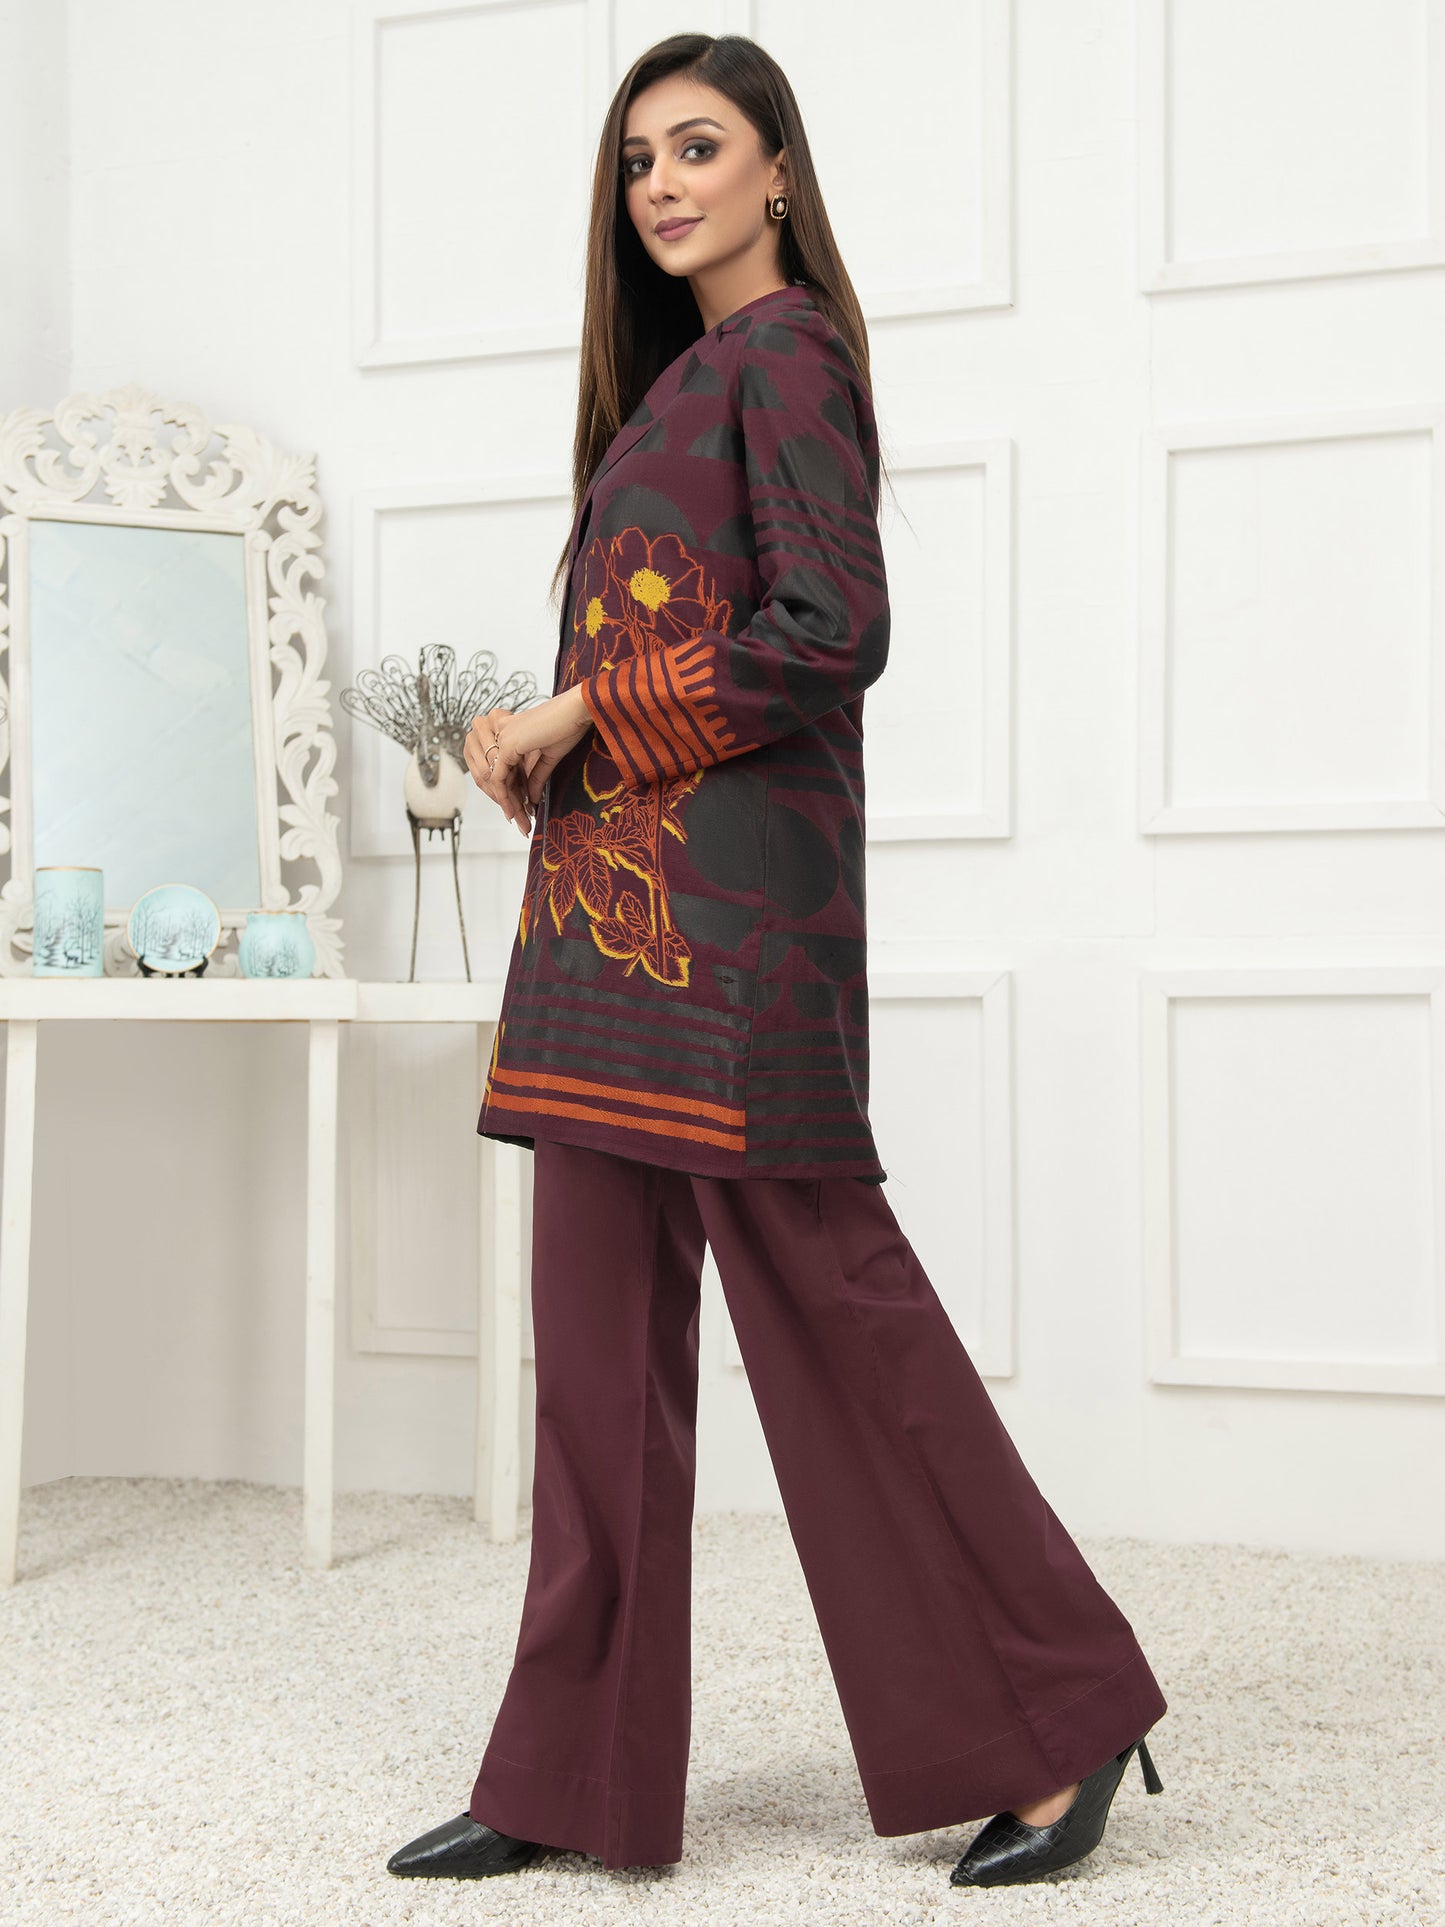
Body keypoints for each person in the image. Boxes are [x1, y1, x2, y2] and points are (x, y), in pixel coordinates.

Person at [385, 30, 1167, 1892]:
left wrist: (584, 706)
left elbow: (832, 629)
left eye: (698, 147)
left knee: (840, 1332)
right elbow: (680, 641)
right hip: (603, 937)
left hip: (740, 945)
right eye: (637, 159)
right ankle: (567, 1773)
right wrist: (540, 743)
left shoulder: (790, 355)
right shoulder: (662, 390)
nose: (661, 184)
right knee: (592, 1372)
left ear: (777, 173)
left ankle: (1062, 1710)